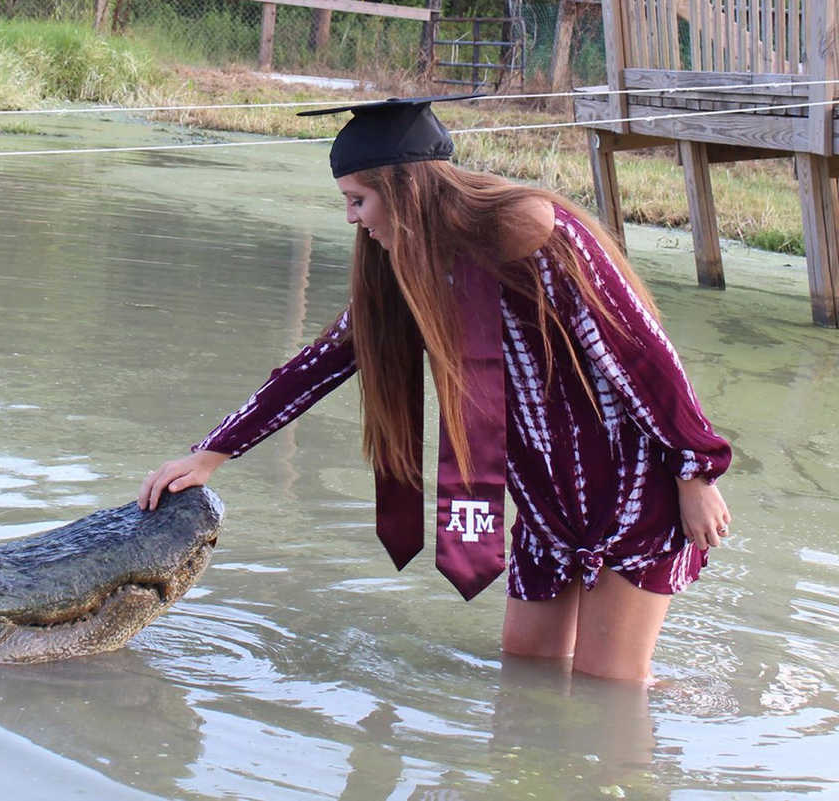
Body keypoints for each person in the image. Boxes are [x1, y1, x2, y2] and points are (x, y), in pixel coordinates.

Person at [138, 96, 732, 683]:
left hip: (628, 491)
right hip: (546, 503)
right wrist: (213, 451)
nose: (352, 218)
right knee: (527, 674)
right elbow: (323, 361)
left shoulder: (535, 236)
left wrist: (696, 473)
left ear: (403, 191)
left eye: (358, 200)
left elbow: (641, 355)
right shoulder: (410, 263)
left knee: (611, 689)